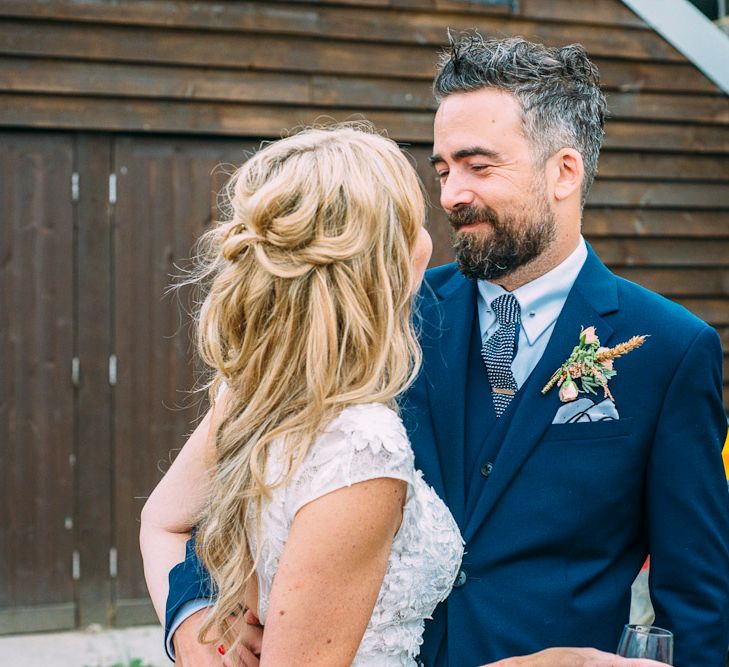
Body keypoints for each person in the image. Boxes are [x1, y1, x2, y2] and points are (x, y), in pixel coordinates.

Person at [160, 36, 729, 666]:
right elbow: (228, 487)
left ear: (564, 171)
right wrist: (198, 619)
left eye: (478, 166)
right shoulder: (378, 315)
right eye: (443, 169)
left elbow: (697, 599)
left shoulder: (671, 349)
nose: (451, 194)